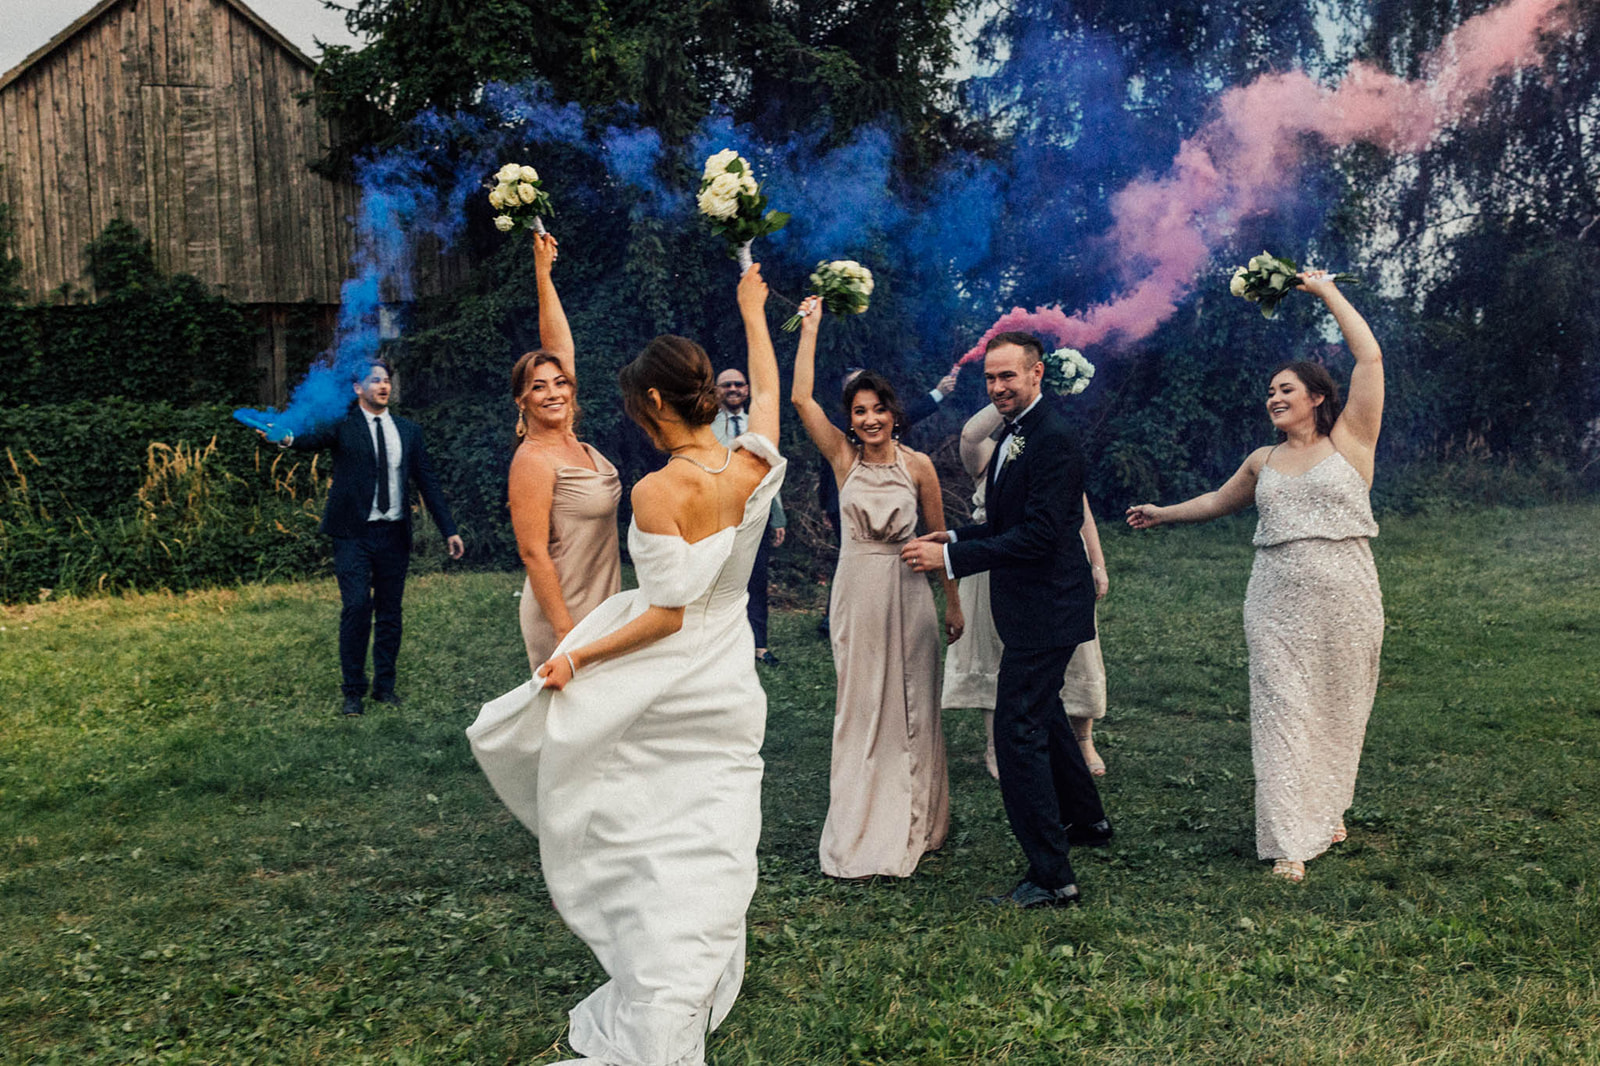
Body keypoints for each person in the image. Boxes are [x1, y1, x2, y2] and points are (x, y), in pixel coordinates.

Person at [467, 265, 784, 1065]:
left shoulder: (657, 492)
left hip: (674, 677)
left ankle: (661, 977)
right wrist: (753, 312)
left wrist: (577, 655)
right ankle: (689, 960)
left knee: (640, 822)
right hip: (732, 680)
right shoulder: (754, 463)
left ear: (651, 404)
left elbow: (665, 615)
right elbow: (770, 394)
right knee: (712, 835)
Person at [1126, 271, 1384, 884]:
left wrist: (1325, 292)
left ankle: (1327, 807)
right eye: (1269, 391)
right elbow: (1218, 501)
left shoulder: (1352, 441)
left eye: (1285, 389)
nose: (1273, 398)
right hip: (1274, 601)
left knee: (1339, 708)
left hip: (1347, 598)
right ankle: (1289, 842)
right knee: (1282, 711)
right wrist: (1163, 513)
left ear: (1317, 397)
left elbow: (1369, 357)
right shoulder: (1262, 460)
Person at [902, 331, 1108, 908]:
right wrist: (956, 537)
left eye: (1008, 376)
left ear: (1037, 373)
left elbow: (1040, 536)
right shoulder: (1015, 433)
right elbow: (1008, 521)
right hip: (1037, 605)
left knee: (1017, 732)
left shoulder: (1054, 439)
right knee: (1045, 712)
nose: (998, 387)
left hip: (1049, 608)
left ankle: (1052, 877)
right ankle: (1086, 821)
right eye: (991, 378)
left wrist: (949, 562)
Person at [792, 296, 959, 879]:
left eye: (878, 409)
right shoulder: (844, 460)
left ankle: (917, 817)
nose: (869, 419)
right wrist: (810, 329)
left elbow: (941, 541)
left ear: (894, 413)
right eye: (859, 411)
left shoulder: (919, 466)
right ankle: (861, 821)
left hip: (910, 593)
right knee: (860, 705)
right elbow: (800, 399)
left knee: (915, 703)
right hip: (858, 591)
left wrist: (953, 604)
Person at [280, 359, 464, 717]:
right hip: (353, 534)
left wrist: (449, 530)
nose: (383, 386)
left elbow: (428, 482)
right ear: (358, 388)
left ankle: (385, 688)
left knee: (390, 612)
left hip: (393, 534)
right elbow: (308, 440)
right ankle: (353, 691)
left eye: (386, 380)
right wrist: (284, 438)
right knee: (356, 607)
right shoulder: (343, 426)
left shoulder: (408, 431)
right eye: (375, 380)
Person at [942, 404, 1112, 780]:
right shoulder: (988, 453)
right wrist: (1010, 399)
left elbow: (1080, 510)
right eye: (993, 380)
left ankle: (1083, 740)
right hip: (993, 558)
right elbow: (970, 434)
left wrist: (1097, 564)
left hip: (1053, 563)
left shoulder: (1050, 446)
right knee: (994, 652)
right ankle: (995, 745)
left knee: (1077, 652)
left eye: (1007, 378)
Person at [509, 233, 622, 674]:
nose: (553, 392)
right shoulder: (533, 460)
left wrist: (544, 273)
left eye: (560, 383)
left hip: (603, 601)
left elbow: (559, 349)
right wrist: (564, 631)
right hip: (564, 611)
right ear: (522, 401)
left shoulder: (571, 438)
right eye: (538, 387)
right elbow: (533, 553)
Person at [815, 366, 957, 637]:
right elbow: (826, 466)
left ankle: (860, 615)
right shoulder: (837, 428)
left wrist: (938, 394)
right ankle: (837, 615)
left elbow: (906, 416)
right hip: (843, 501)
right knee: (851, 556)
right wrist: (826, 504)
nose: (870, 417)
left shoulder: (905, 454)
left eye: (878, 407)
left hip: (893, 543)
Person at [712, 367, 786, 665]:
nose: (733, 389)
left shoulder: (759, 426)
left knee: (756, 579)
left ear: (747, 389)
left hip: (757, 514)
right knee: (718, 579)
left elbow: (771, 471)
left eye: (738, 384)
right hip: (717, 514)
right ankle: (719, 645)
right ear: (716, 391)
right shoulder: (705, 427)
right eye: (726, 385)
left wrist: (778, 517)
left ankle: (759, 645)